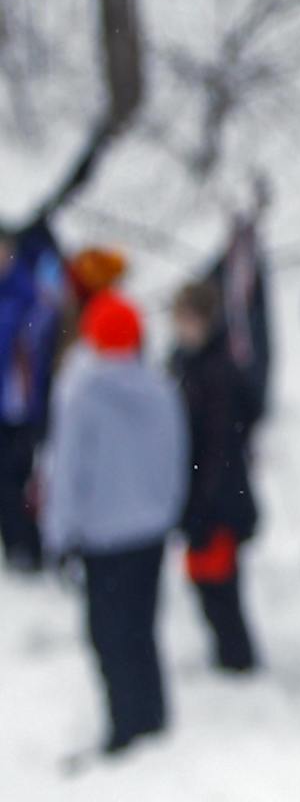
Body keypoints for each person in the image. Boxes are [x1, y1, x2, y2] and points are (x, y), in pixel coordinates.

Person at [41, 291, 189, 759]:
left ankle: (124, 724)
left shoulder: (82, 394)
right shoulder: (162, 389)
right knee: (143, 625)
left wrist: (59, 534)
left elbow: (66, 471)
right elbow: (177, 458)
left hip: (103, 536)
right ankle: (153, 713)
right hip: (150, 531)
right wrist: (167, 510)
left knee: (108, 633)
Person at [170, 279, 264, 673]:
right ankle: (231, 657)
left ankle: (237, 661)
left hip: (219, 497)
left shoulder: (217, 370)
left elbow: (220, 446)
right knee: (206, 581)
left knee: (220, 583)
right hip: (201, 493)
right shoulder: (184, 363)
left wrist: (204, 502)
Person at [0, 221, 67, 572]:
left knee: (23, 478)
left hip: (23, 407)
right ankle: (17, 546)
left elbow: (40, 333)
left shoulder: (31, 291)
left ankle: (29, 546)